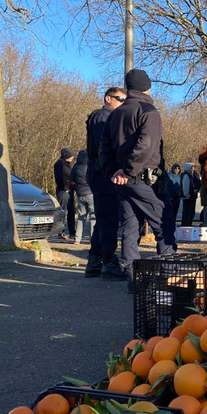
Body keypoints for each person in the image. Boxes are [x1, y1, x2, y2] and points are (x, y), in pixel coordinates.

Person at [99, 68, 177, 287]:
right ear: (148, 87)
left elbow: (104, 149)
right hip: (143, 180)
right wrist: (129, 170)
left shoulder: (115, 114)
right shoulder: (149, 111)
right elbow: (146, 145)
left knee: (130, 228)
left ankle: (134, 279)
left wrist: (114, 171)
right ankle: (168, 277)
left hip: (121, 182)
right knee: (164, 225)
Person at [84, 87, 126, 278]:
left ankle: (94, 262)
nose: (122, 102)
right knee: (108, 217)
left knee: (103, 219)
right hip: (103, 171)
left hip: (101, 170)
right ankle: (108, 261)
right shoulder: (102, 116)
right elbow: (104, 145)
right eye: (119, 99)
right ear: (108, 98)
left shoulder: (107, 117)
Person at [69, 150, 95, 245]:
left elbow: (72, 180)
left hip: (80, 194)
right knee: (93, 216)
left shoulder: (76, 166)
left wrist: (75, 188)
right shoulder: (90, 165)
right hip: (91, 193)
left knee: (81, 217)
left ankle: (77, 239)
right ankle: (92, 239)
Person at [54, 147, 75, 239]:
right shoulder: (59, 164)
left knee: (71, 211)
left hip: (69, 190)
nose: (72, 157)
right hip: (63, 191)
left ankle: (72, 231)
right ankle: (61, 231)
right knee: (64, 211)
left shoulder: (67, 164)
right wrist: (65, 187)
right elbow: (59, 178)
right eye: (70, 156)